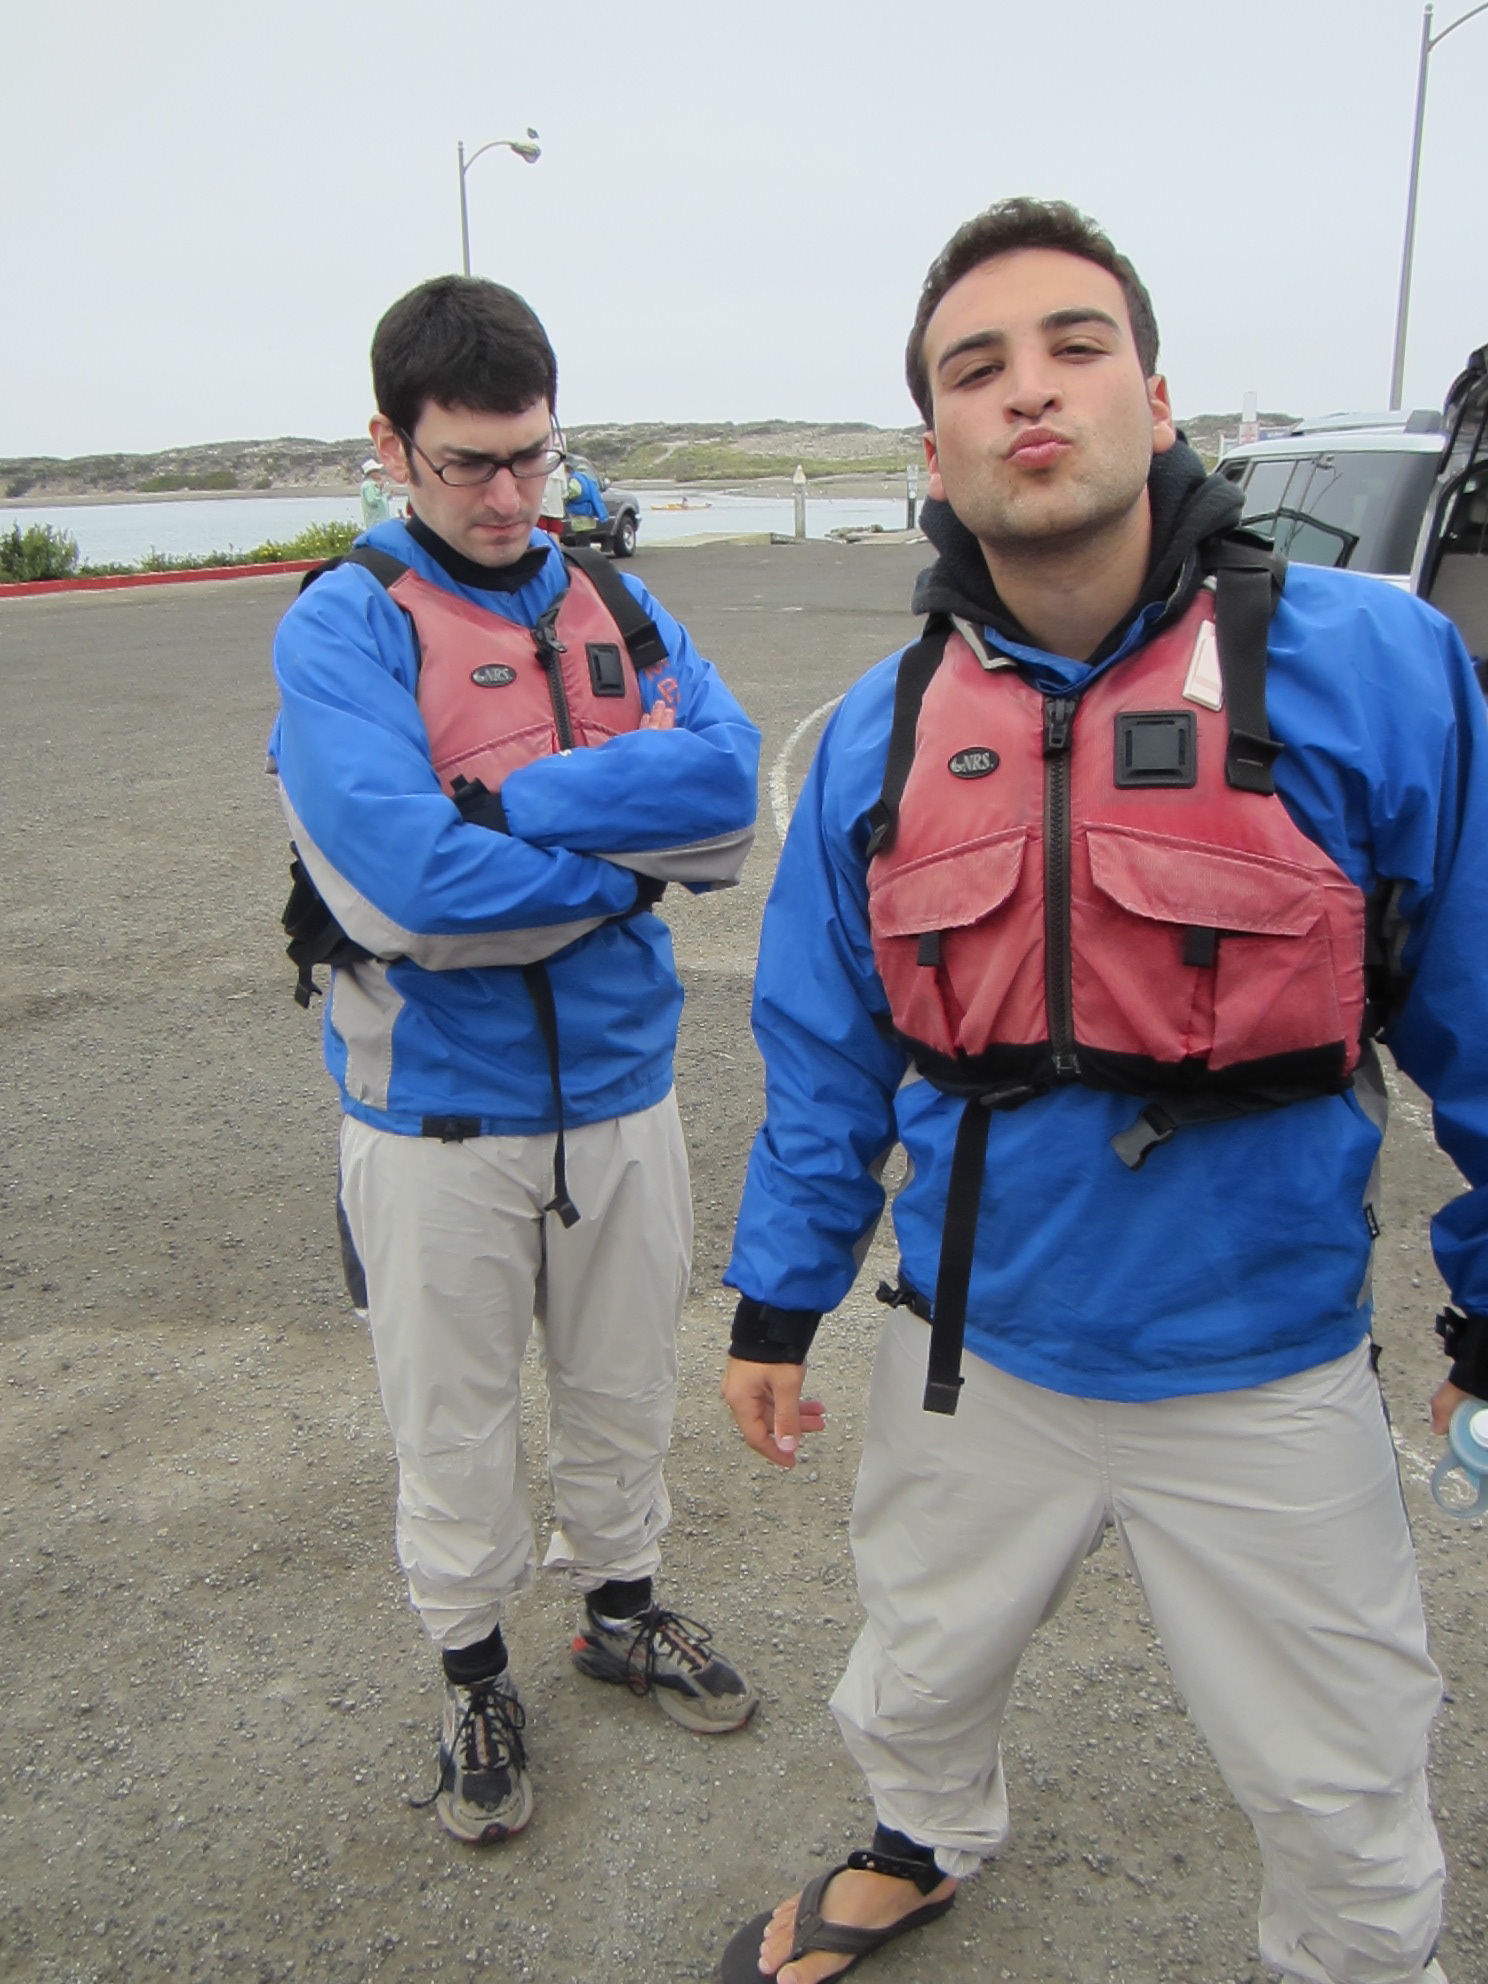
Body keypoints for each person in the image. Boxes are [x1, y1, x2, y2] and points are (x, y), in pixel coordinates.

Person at [718, 198, 1483, 1984]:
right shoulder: (877, 732)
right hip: (969, 1346)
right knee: (916, 1663)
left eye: (1075, 347)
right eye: (975, 368)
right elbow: (825, 1052)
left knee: (1343, 1773)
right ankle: (918, 1838)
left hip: (1262, 1362)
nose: (1030, 390)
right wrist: (774, 1302)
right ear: (933, 447)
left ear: (1154, 396)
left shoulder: (1376, 668)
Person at [269, 274, 762, 1850]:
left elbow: (730, 802)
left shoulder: (617, 604)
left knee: (623, 1384)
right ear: (390, 447)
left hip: (621, 1093)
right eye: (468, 462)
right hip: (433, 1117)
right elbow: (411, 897)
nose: (507, 496)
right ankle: (473, 1668)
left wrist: (504, 808)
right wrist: (627, 858)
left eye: (532, 456)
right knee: (453, 1420)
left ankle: (621, 1610)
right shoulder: (344, 625)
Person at [359, 456, 391, 530]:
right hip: (375, 524)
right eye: (377, 471)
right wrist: (380, 489)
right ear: (371, 473)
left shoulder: (373, 485)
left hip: (382, 523)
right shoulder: (367, 485)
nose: (379, 473)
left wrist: (388, 495)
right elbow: (373, 501)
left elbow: (380, 499)